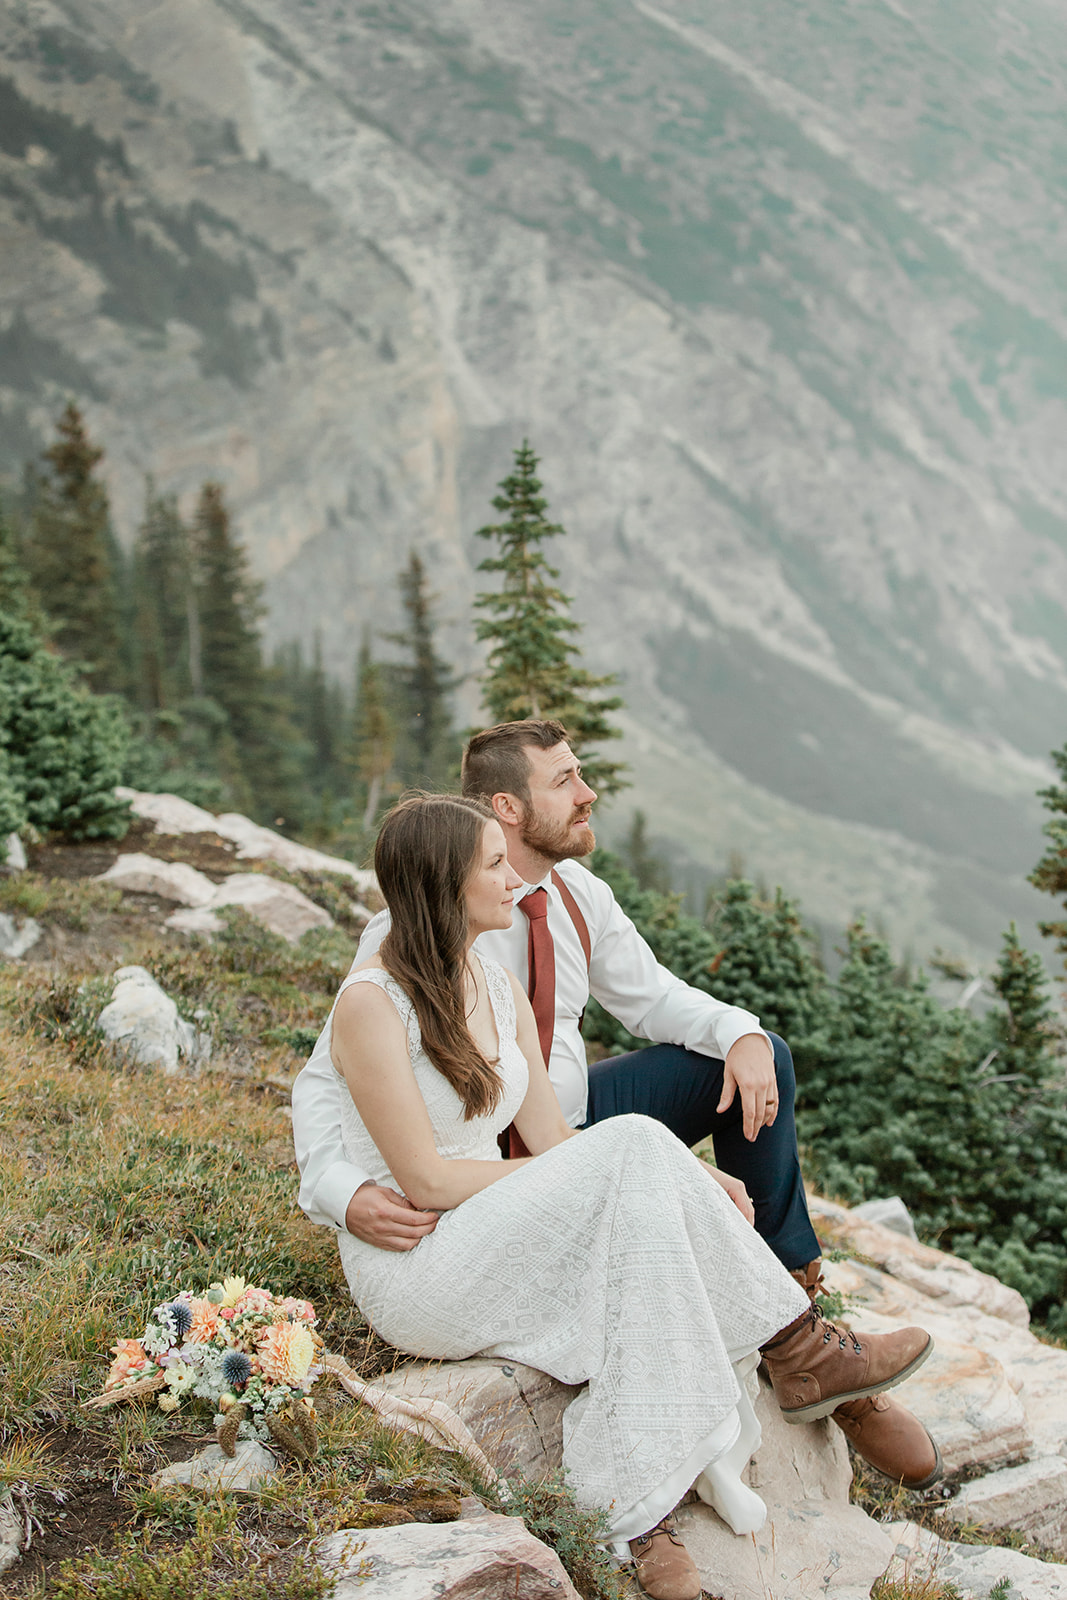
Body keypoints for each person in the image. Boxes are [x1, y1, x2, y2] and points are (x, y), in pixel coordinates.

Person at [293, 720, 941, 1493]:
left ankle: (806, 1331)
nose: (586, 793)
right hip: (480, 1151)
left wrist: (740, 1033)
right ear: (505, 807)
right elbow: (325, 1081)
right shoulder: (415, 929)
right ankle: (799, 1352)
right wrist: (341, 1192)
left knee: (752, 1060)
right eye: (564, 780)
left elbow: (655, 998)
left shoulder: (577, 896)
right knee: (640, 1152)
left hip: (563, 1125)